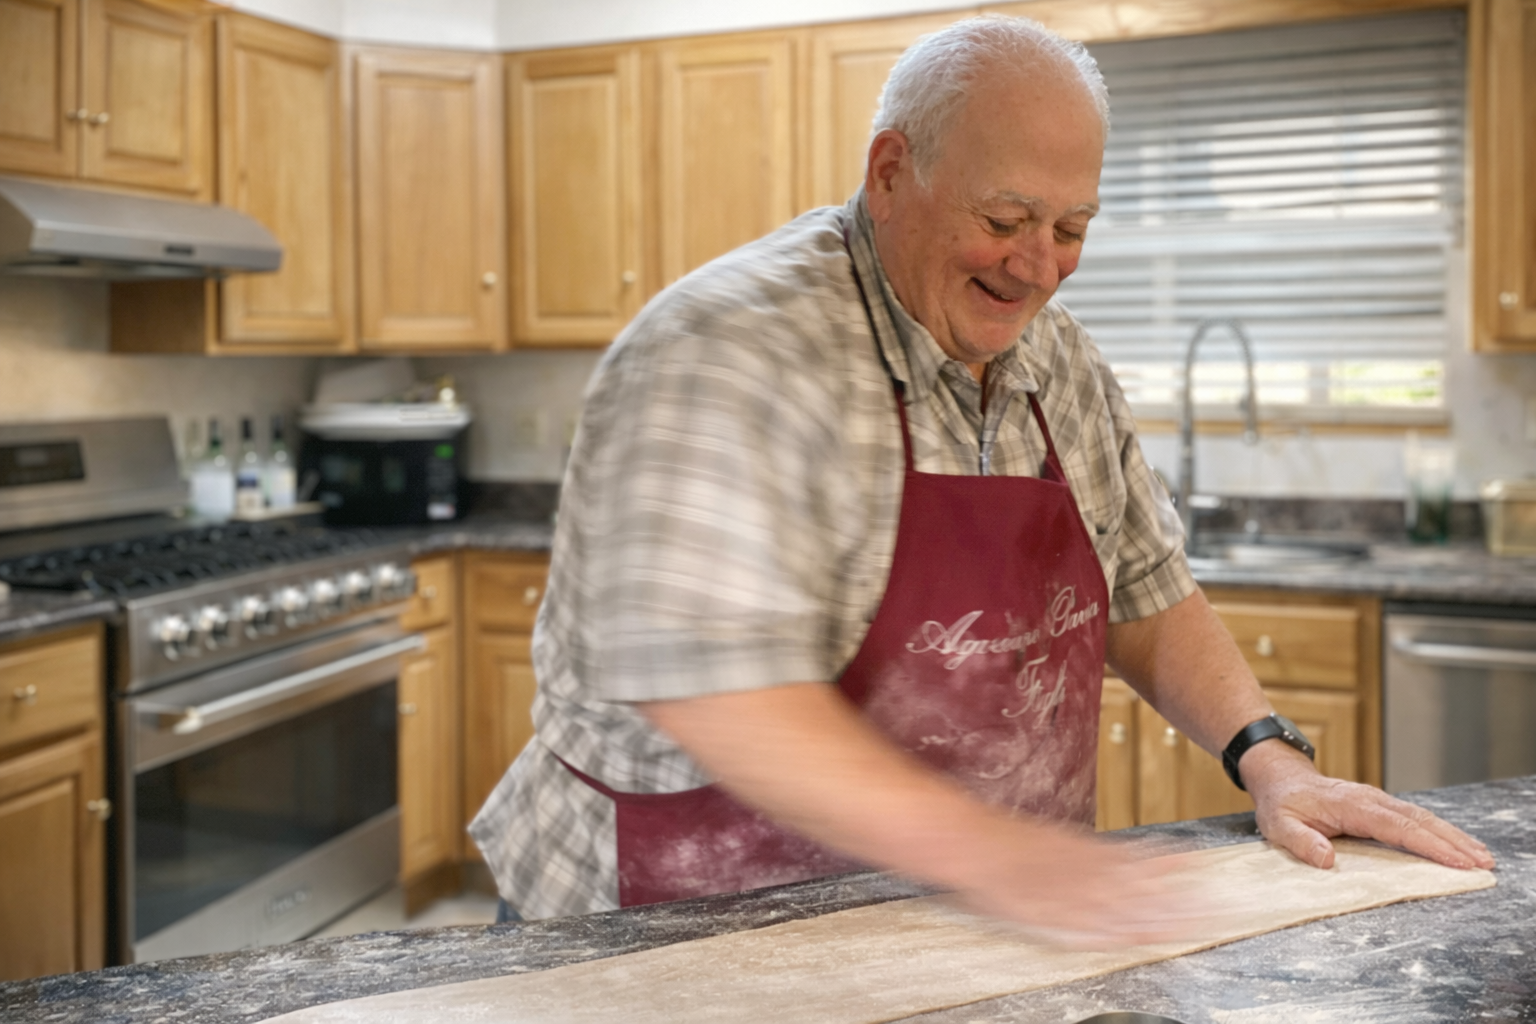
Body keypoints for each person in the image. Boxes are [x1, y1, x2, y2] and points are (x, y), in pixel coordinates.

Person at [470, 15, 1493, 944]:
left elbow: (1142, 585)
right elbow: (720, 691)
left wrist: (1271, 758)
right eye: (1006, 219)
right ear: (889, 171)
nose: (1037, 266)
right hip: (673, 932)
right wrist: (1005, 857)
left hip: (957, 925)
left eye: (1072, 228)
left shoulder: (1061, 364)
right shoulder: (728, 352)